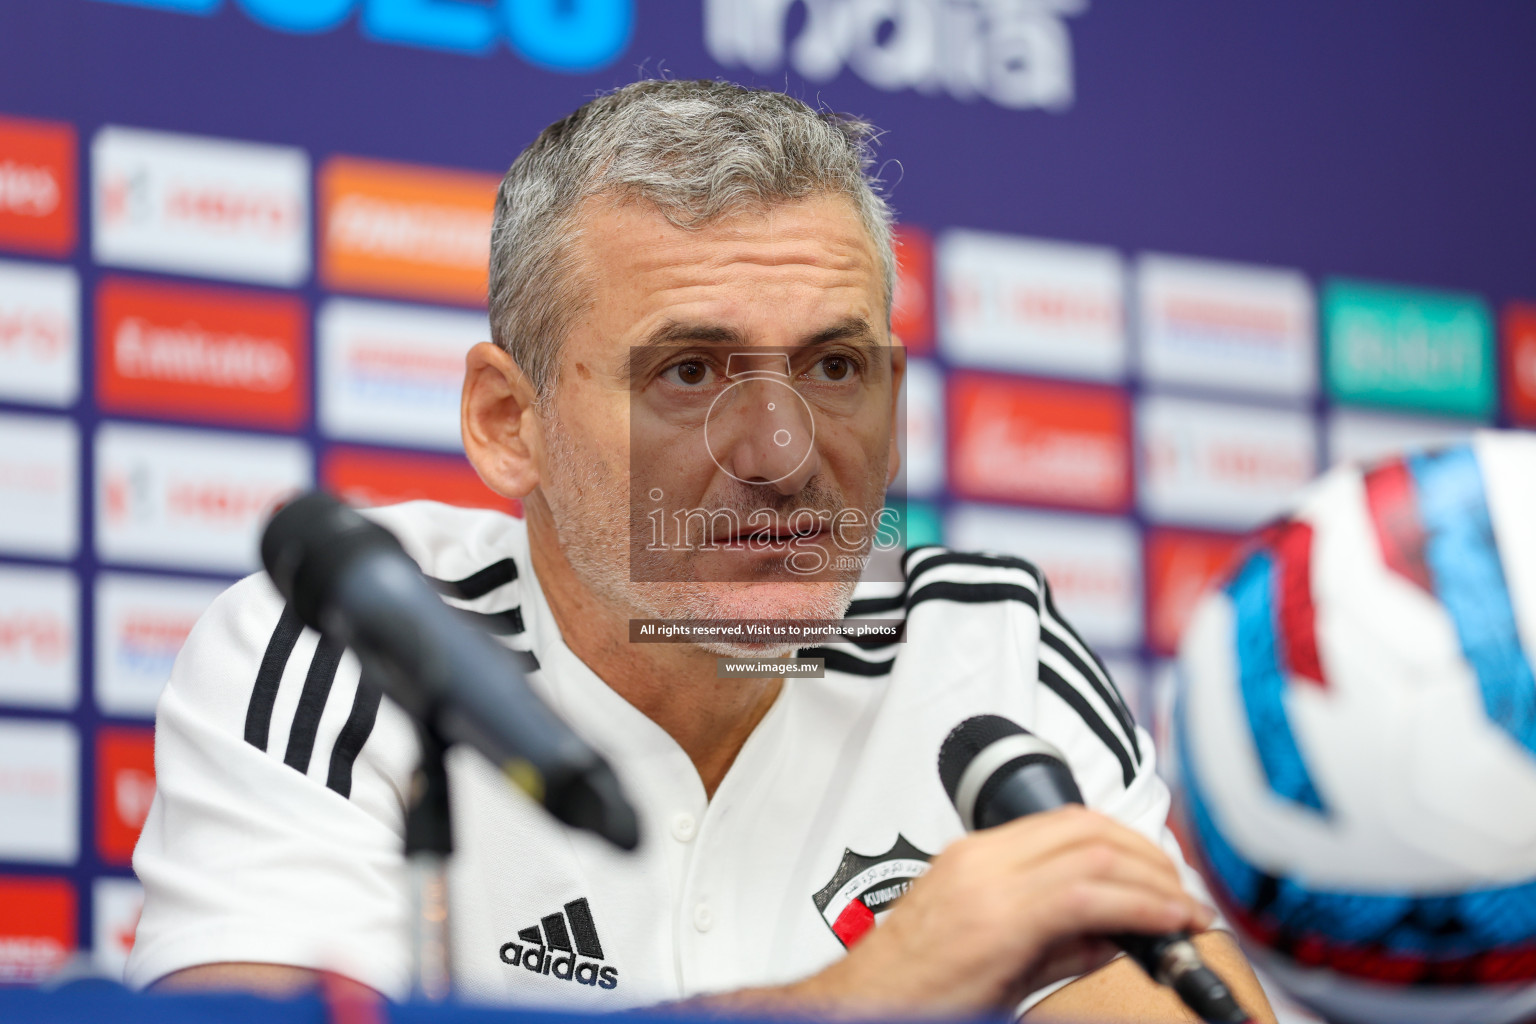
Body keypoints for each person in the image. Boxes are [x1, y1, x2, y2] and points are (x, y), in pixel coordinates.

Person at [127, 79, 1276, 1022]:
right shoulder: (354, 641)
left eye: (834, 368)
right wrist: (866, 995)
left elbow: (1181, 1002)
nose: (781, 452)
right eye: (688, 373)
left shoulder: (990, 648)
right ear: (506, 422)